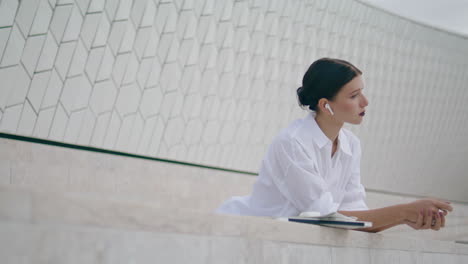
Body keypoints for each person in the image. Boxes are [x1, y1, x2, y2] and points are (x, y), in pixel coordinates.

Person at [216, 58, 453, 232]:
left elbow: (357, 218)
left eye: (363, 92)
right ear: (325, 105)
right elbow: (327, 217)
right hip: (239, 232)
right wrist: (403, 211)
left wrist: (408, 218)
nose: (365, 102)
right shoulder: (292, 143)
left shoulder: (351, 144)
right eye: (354, 95)